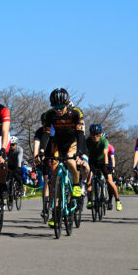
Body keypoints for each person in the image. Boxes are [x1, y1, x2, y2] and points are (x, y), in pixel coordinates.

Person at [37, 88, 88, 227]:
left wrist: (80, 152)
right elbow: (46, 134)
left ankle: (76, 184)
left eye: (61, 107)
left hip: (72, 141)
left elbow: (80, 134)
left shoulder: (76, 113)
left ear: (67, 103)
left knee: (71, 161)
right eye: (55, 107)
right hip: (57, 143)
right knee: (54, 178)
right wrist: (41, 151)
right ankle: (55, 212)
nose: (58, 110)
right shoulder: (49, 115)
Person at [85, 124, 122, 211]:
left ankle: (117, 200)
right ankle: (89, 200)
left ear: (100, 134)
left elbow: (105, 153)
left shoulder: (104, 141)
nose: (95, 137)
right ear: (90, 134)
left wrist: (106, 165)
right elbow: (84, 152)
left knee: (109, 181)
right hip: (92, 161)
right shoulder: (87, 141)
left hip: (102, 161)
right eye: (93, 134)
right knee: (89, 180)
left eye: (97, 135)